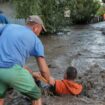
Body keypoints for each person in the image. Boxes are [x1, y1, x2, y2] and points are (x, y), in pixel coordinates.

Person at [0, 15, 54, 105]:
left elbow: (18, 65)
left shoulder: (9, 26)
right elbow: (44, 70)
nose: (40, 34)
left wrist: (32, 73)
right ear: (36, 28)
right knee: (36, 94)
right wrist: (49, 79)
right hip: (10, 69)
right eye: (41, 30)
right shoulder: (36, 41)